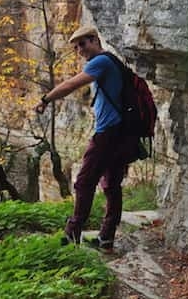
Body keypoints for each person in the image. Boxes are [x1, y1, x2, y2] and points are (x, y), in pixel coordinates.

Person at [34, 25, 137, 252]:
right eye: (76, 46)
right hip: (120, 131)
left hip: (108, 133)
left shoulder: (100, 62)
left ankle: (72, 235)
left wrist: (45, 99)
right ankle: (106, 239)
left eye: (83, 43)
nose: (80, 49)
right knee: (111, 185)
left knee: (84, 181)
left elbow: (72, 84)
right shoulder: (111, 61)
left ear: (94, 39)